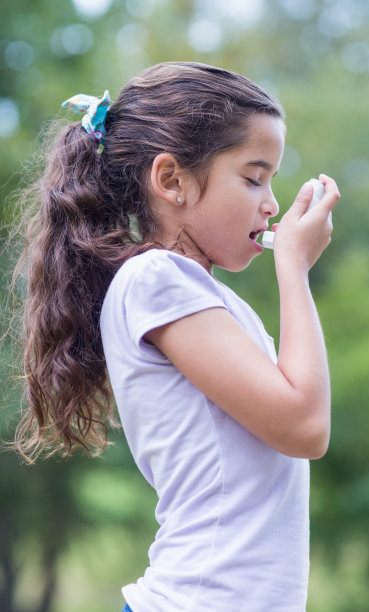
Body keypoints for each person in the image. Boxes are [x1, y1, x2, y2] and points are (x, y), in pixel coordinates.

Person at [14, 62, 340, 611]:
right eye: (253, 176)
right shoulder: (155, 281)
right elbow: (305, 427)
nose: (272, 203)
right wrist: (295, 271)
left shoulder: (203, 298)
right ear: (171, 180)